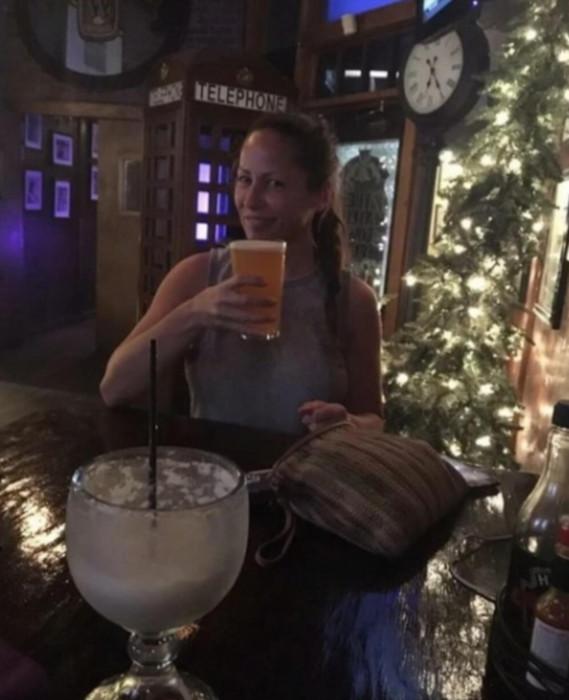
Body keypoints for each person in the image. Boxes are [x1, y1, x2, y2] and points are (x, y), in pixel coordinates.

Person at [100, 111, 383, 434]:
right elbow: (113, 388)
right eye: (245, 179)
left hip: (306, 467)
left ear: (321, 196)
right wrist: (195, 313)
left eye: (274, 183)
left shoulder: (353, 300)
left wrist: (347, 424)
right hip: (212, 466)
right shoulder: (198, 275)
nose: (250, 200)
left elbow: (374, 420)